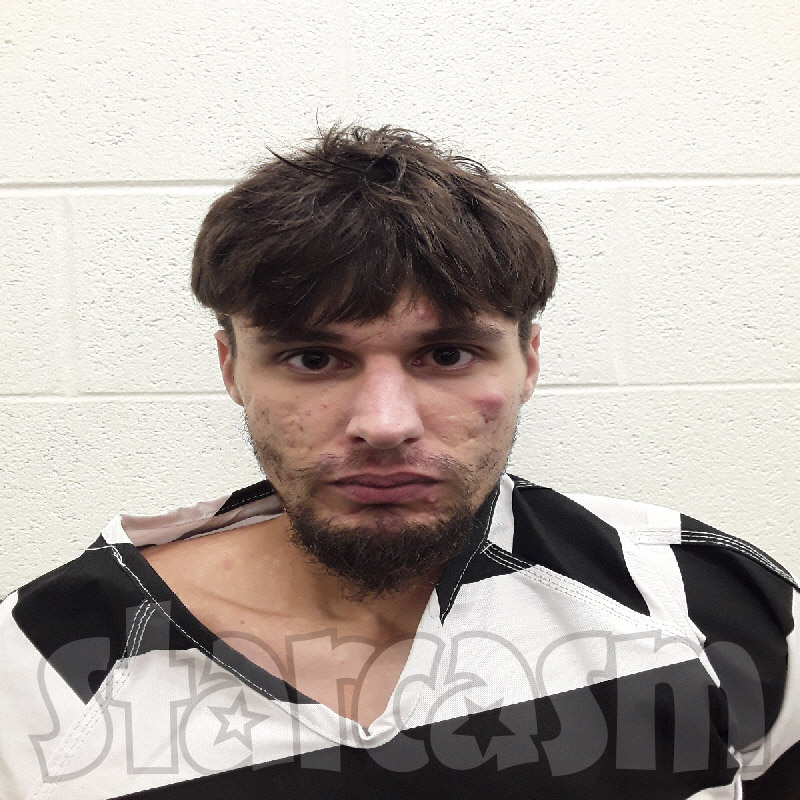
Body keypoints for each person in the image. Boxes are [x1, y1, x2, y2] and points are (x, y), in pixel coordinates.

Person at [0, 125, 797, 799]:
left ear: (529, 361)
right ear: (230, 368)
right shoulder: (39, 663)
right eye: (313, 358)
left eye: (447, 354)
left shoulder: (704, 601)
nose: (383, 425)